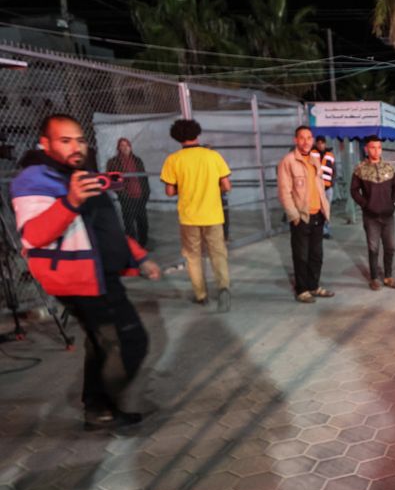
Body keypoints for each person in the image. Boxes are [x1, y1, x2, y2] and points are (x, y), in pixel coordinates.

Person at [11, 114, 162, 430]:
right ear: (45, 143)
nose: (76, 146)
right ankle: (100, 406)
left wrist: (139, 256)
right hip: (76, 279)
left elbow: (106, 225)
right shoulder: (34, 180)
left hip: (100, 273)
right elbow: (34, 234)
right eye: (65, 140)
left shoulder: (78, 174)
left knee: (101, 343)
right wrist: (70, 201)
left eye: (79, 139)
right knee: (128, 341)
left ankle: (97, 406)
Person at [161, 119, 233, 312]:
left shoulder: (173, 160)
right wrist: (211, 188)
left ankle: (201, 295)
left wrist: (185, 188)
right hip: (213, 214)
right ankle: (223, 288)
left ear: (177, 138)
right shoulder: (213, 156)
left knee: (193, 256)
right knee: (218, 253)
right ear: (197, 134)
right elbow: (226, 186)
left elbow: (169, 191)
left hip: (188, 217)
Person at [278, 126, 334, 303]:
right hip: (301, 217)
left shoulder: (314, 160)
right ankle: (301, 289)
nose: (306, 141)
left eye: (309, 138)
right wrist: (294, 216)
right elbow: (284, 192)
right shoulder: (288, 161)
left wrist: (325, 210)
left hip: (318, 215)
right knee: (301, 255)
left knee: (316, 254)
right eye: (302, 138)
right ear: (296, 140)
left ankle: (314, 286)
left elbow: (320, 187)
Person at [350, 135, 395, 290]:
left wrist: (394, 202)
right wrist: (365, 205)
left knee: (390, 246)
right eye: (373, 147)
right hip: (370, 216)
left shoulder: (389, 168)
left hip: (388, 216)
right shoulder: (360, 169)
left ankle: (388, 276)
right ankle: (374, 278)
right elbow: (354, 191)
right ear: (367, 149)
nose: (376, 150)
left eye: (379, 147)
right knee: (373, 248)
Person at [106, 138, 150, 247]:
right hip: (127, 198)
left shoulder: (137, 160)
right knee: (129, 225)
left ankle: (143, 245)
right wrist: (123, 195)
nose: (125, 148)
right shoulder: (113, 162)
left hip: (140, 197)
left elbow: (144, 178)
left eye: (127, 145)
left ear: (130, 147)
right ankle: (133, 247)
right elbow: (114, 182)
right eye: (122, 145)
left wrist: (146, 193)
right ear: (118, 148)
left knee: (143, 223)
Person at [311, 136, 336, 239]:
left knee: (326, 210)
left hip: (327, 187)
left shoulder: (330, 155)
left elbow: (334, 170)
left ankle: (325, 230)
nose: (320, 145)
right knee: (316, 209)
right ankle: (316, 230)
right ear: (316, 143)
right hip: (315, 187)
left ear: (325, 144)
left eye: (322, 143)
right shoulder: (311, 154)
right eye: (319, 143)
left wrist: (332, 182)